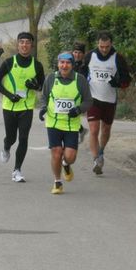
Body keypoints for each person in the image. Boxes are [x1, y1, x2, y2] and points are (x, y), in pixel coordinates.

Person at [0, 31, 45, 182]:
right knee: (11, 137)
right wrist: (9, 95)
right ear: (18, 45)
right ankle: (6, 146)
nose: (24, 45)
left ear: (31, 45)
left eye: (27, 42)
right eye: (22, 42)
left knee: (23, 138)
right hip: (9, 106)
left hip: (26, 107)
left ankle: (17, 170)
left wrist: (35, 85)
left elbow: (41, 86)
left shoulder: (37, 65)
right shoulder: (9, 62)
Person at [39, 52, 92, 194]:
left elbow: (88, 101)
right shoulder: (50, 78)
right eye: (62, 62)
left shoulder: (80, 80)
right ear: (58, 64)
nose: (64, 65)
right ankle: (57, 182)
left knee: (70, 157)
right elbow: (43, 97)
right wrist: (43, 108)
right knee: (56, 152)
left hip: (71, 124)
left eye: (68, 63)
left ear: (72, 65)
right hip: (53, 123)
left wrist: (79, 109)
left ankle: (66, 164)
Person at [81, 31, 131, 175]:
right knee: (94, 129)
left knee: (106, 130)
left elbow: (127, 80)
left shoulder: (118, 58)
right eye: (102, 46)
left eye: (107, 47)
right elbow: (82, 75)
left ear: (111, 44)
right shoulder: (90, 56)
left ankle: (101, 152)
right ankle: (96, 159)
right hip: (93, 98)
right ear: (98, 44)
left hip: (109, 100)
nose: (104, 49)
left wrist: (119, 83)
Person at [72, 41, 88, 144]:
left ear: (83, 54)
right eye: (75, 52)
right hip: (69, 92)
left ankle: (79, 131)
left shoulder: (86, 66)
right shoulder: (69, 63)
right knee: (69, 113)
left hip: (80, 94)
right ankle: (81, 130)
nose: (77, 55)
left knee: (72, 113)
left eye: (79, 53)